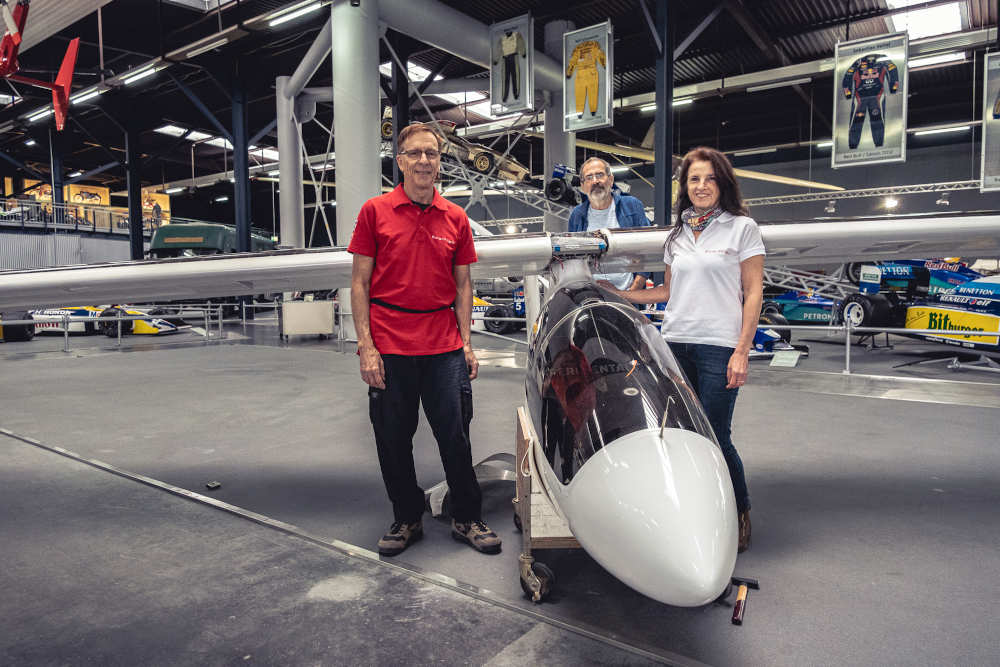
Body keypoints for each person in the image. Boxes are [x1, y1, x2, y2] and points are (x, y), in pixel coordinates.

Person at [598, 146, 764, 553]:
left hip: (718, 347)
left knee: (716, 436)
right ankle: (696, 513)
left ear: (721, 182)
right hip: (675, 345)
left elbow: (754, 291)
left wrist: (742, 350)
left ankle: (738, 513)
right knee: (681, 434)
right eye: (694, 179)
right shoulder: (676, 236)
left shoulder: (742, 228)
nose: (701, 186)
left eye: (709, 178)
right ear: (684, 187)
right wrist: (620, 294)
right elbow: (669, 291)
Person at [348, 122, 501, 557]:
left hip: (443, 347)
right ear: (399, 161)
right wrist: (367, 346)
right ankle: (406, 517)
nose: (423, 161)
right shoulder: (374, 213)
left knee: (455, 435)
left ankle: (467, 515)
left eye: (431, 154)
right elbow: (359, 284)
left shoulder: (455, 218)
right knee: (393, 438)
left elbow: (464, 284)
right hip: (391, 346)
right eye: (414, 153)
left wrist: (467, 341)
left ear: (439, 162)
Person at [569, 156, 650, 291]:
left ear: (610, 180)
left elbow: (647, 251)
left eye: (600, 175)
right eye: (589, 177)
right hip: (591, 295)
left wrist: (632, 292)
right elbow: (573, 259)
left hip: (628, 292)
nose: (595, 181)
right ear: (583, 187)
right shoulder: (577, 215)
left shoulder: (631, 206)